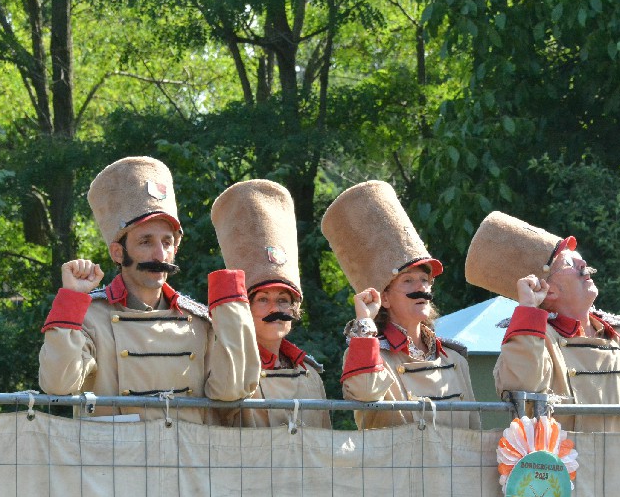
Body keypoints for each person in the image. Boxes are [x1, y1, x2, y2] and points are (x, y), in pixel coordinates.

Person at [38, 156, 260, 424]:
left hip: (186, 451)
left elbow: (231, 393)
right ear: (118, 252)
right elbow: (58, 385)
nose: (160, 255)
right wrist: (72, 299)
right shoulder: (88, 317)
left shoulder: (200, 322)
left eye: (167, 243)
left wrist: (232, 300)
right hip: (113, 451)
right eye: (146, 242)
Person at [464, 211, 620, 433]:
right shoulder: (538, 340)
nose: (583, 263)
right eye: (568, 262)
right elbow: (521, 386)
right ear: (549, 290)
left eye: (578, 258)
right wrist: (528, 308)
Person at [321, 180, 481, 430]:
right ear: (384, 298)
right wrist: (365, 322)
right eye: (407, 281)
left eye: (424, 280)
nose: (421, 288)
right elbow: (364, 393)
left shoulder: (454, 358)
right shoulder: (372, 354)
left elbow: (473, 429)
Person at [210, 179, 331, 429]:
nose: (275, 309)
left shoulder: (310, 373)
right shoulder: (232, 369)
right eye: (263, 299)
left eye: (283, 300)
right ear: (245, 308)